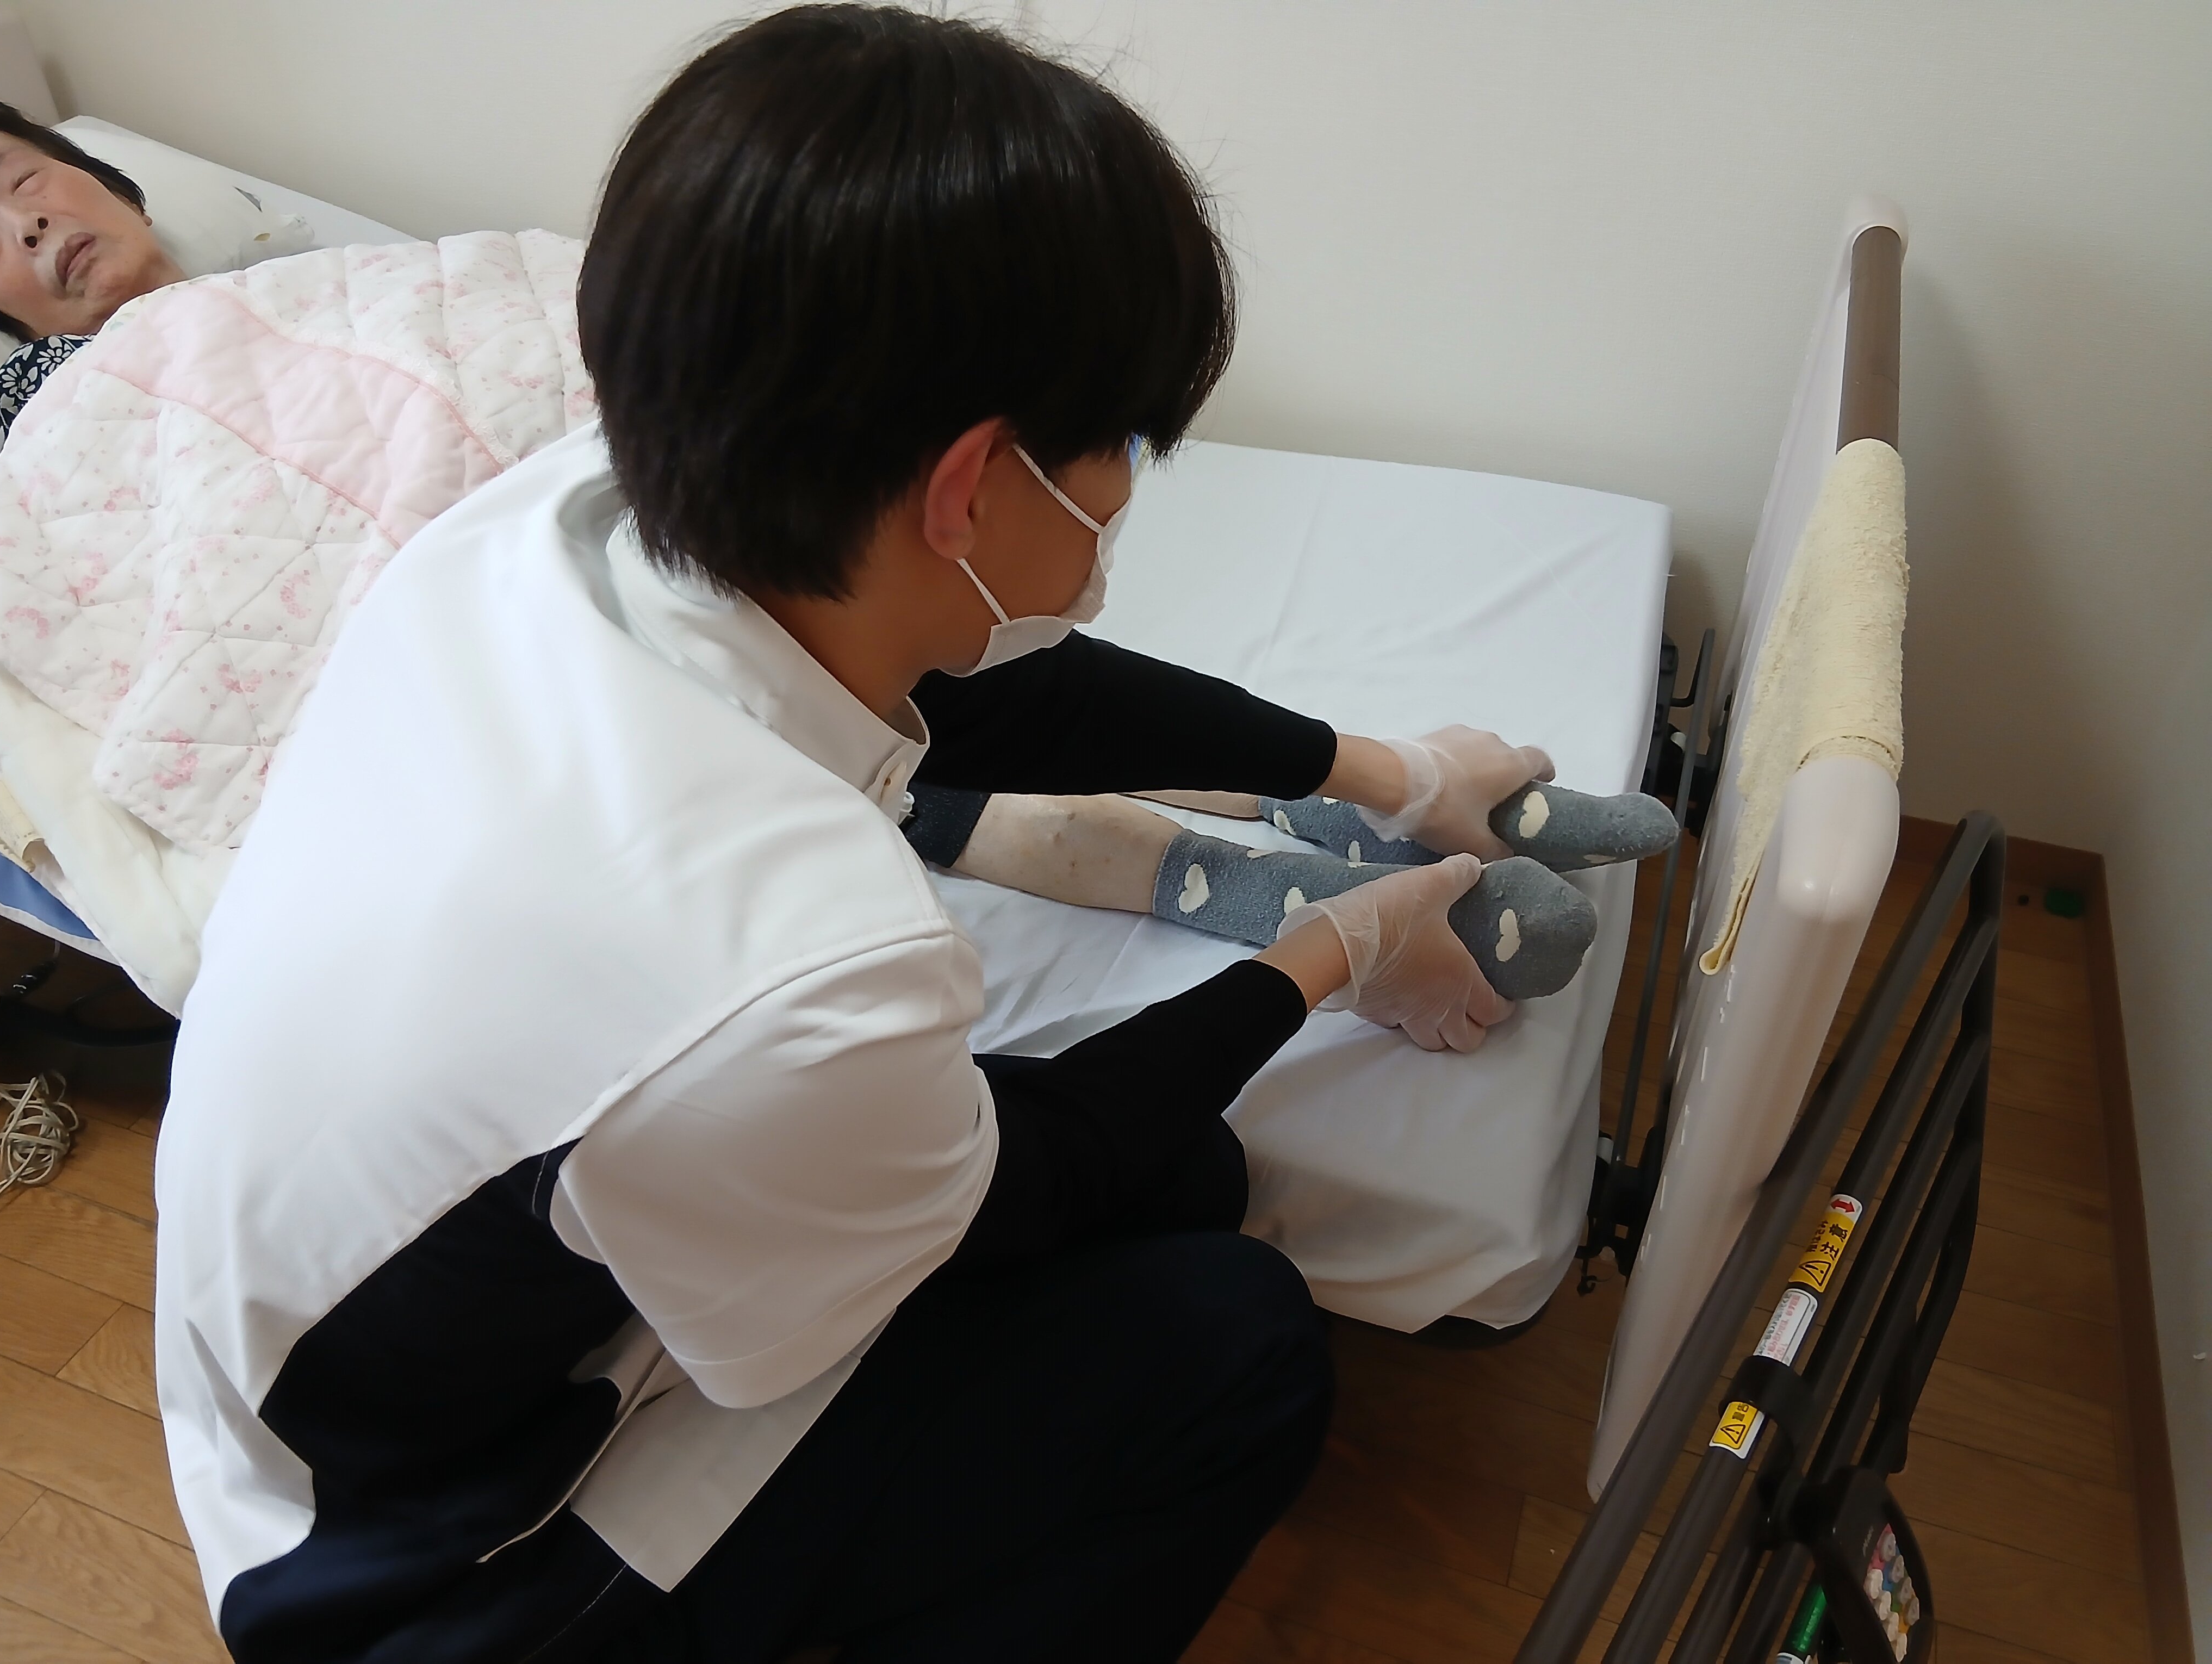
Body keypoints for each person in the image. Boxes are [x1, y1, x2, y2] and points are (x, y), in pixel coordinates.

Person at [154, 9, 1555, 1662]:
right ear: (968, 490)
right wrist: (1332, 954)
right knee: (1235, 1345)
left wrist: (1384, 772)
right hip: (432, 1565)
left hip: (364, 1336)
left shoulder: (568, 522)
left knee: (1189, 1173)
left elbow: (990, 683)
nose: (1123, 492)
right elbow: (1025, 1177)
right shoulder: (785, 961)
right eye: (1119, 449)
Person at [0, 101, 183, 454]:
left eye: (23, 180)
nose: (26, 225)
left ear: (122, 197)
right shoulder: (25, 427)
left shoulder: (294, 284)